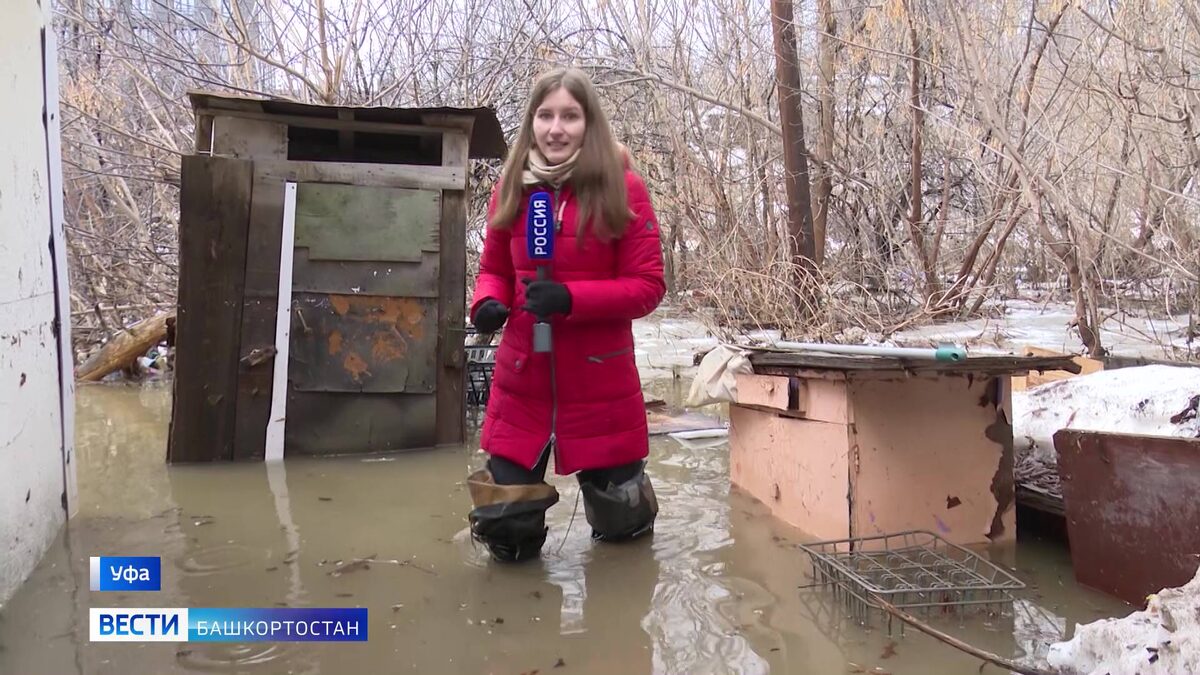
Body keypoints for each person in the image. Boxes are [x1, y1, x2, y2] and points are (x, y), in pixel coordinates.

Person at [466, 67, 667, 563]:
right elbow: (493, 269)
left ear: (589, 123)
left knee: (624, 531)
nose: (556, 128)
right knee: (504, 527)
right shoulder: (509, 188)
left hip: (600, 382)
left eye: (570, 116)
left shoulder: (624, 189)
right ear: (531, 123)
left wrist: (571, 300)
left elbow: (647, 287)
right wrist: (486, 304)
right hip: (522, 380)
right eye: (546, 115)